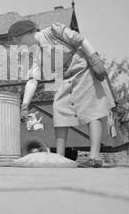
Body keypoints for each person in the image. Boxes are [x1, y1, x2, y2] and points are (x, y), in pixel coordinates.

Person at [8, 19, 114, 168]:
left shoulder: (54, 31)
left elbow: (81, 40)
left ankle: (94, 157)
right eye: (16, 42)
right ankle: (59, 157)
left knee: (92, 109)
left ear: (30, 32)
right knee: (59, 108)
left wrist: (94, 58)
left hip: (82, 70)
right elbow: (33, 79)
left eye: (19, 40)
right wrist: (25, 105)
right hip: (64, 78)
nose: (19, 44)